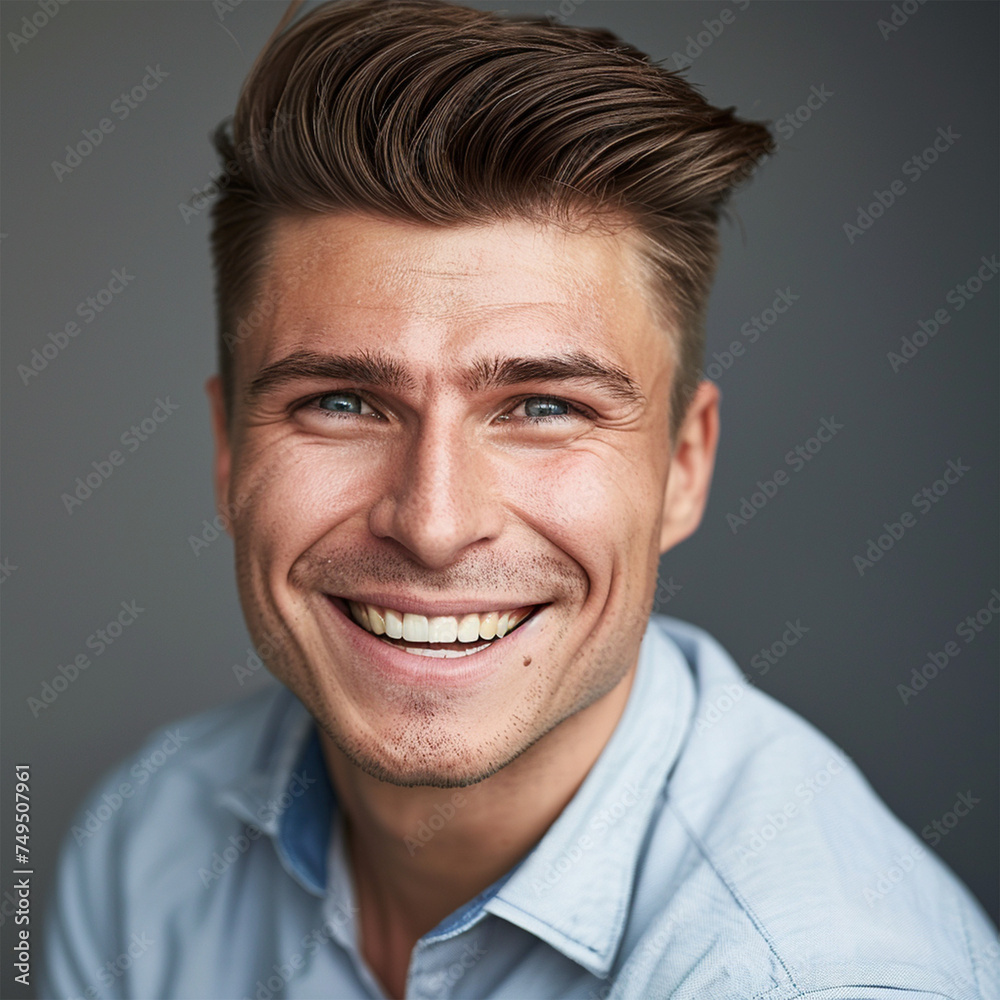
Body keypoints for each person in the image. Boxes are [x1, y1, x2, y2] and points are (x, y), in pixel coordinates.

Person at [43, 1, 998, 998]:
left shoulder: (813, 975)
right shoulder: (144, 844)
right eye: (341, 402)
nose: (433, 521)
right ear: (228, 449)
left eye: (542, 405)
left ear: (683, 464)